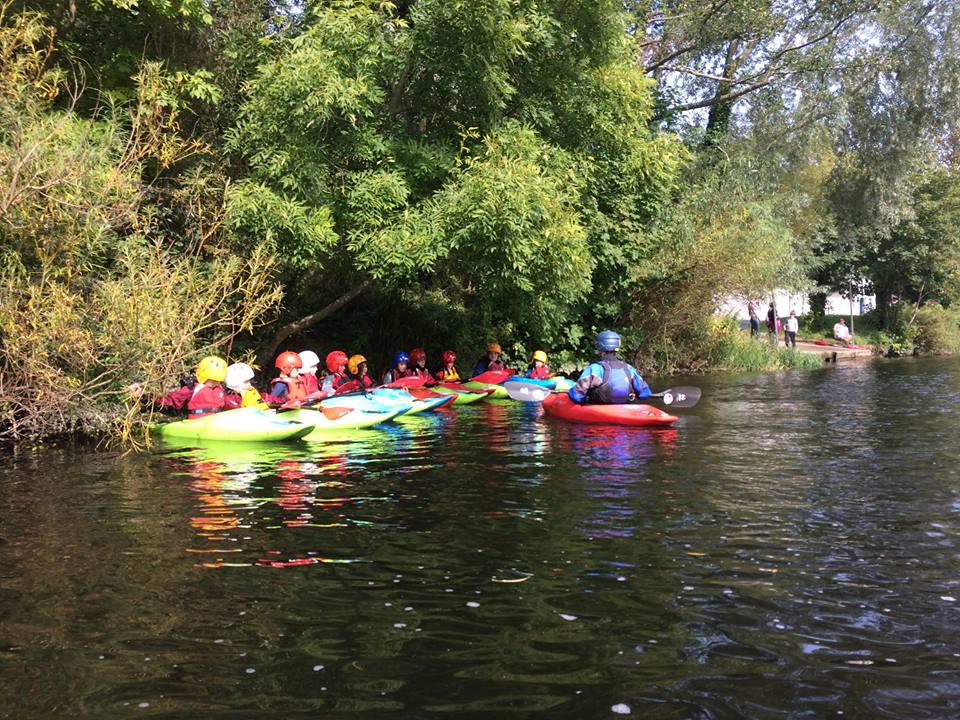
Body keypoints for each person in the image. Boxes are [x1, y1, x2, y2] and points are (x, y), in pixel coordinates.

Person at [569, 331, 651, 405]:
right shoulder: (628, 368)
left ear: (599, 347)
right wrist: (636, 394)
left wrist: (574, 395)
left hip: (599, 408)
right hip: (624, 407)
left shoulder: (594, 369)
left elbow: (577, 396)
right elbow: (645, 393)